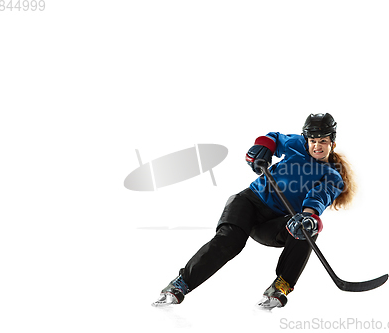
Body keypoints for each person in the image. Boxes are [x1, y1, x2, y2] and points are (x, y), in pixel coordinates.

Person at [151, 113, 356, 309]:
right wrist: (263, 148)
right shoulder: (296, 144)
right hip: (248, 203)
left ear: (332, 142)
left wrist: (308, 217)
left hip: (272, 223)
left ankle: (280, 287)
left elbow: (318, 197)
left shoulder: (332, 177)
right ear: (306, 139)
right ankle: (181, 284)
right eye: (313, 140)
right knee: (229, 241)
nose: (317, 145)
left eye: (323, 141)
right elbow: (273, 138)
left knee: (306, 230)